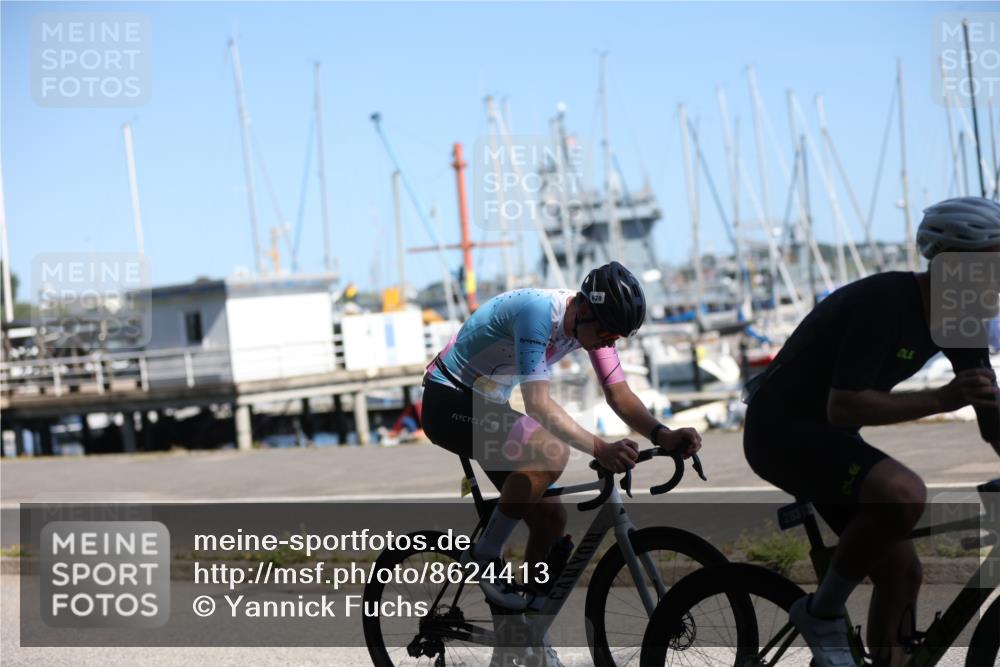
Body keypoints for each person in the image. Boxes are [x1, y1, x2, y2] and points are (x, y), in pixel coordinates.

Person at [742, 196, 1000, 667]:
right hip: (779, 432)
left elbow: (992, 417)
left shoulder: (961, 318)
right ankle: (821, 614)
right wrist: (942, 399)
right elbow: (843, 407)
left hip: (828, 439)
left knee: (903, 574)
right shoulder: (884, 304)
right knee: (904, 493)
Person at [421, 262, 703, 613]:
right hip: (448, 401)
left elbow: (619, 395)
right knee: (551, 452)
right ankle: (485, 554)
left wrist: (663, 434)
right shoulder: (538, 313)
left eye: (616, 337)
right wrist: (600, 448)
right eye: (607, 333)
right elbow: (538, 404)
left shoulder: (593, 325)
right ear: (583, 309)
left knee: (551, 521)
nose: (609, 341)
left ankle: (524, 627)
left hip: (487, 403)